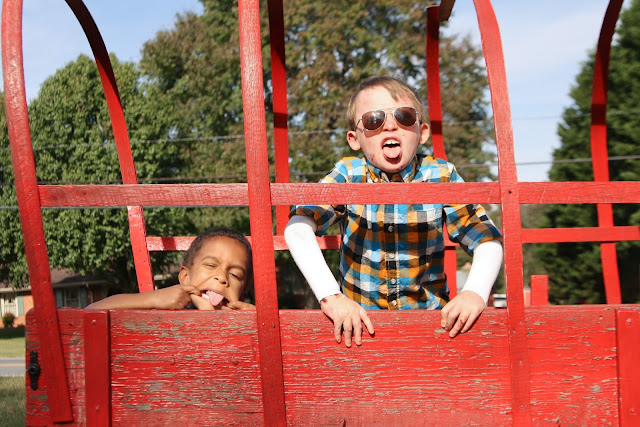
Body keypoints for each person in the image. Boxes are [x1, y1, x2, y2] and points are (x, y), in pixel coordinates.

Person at [285, 76, 503, 347]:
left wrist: (475, 292)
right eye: (373, 120)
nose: (389, 125)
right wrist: (331, 296)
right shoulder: (349, 173)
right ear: (354, 138)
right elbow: (298, 227)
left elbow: (486, 236)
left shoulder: (441, 174)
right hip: (360, 324)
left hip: (431, 324)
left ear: (422, 132)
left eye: (404, 116)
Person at [86, 227, 255, 311]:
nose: (222, 277)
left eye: (235, 274)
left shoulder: (247, 324)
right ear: (185, 278)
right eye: (211, 265)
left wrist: (258, 322)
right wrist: (153, 299)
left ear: (242, 295)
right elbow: (90, 313)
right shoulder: (165, 314)